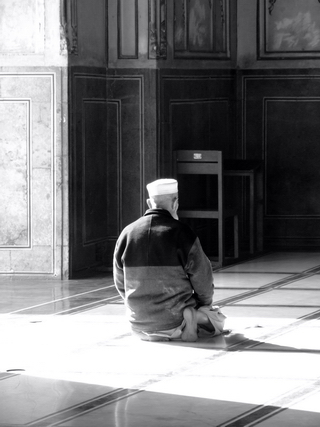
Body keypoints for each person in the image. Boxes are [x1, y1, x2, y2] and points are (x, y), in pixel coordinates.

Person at [113, 178, 226, 342]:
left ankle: (162, 329)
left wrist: (139, 305)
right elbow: (203, 278)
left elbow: (120, 283)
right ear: (175, 204)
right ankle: (192, 320)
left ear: (149, 202)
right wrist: (204, 304)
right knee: (218, 320)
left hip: (138, 324)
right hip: (174, 320)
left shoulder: (127, 233)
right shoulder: (183, 233)